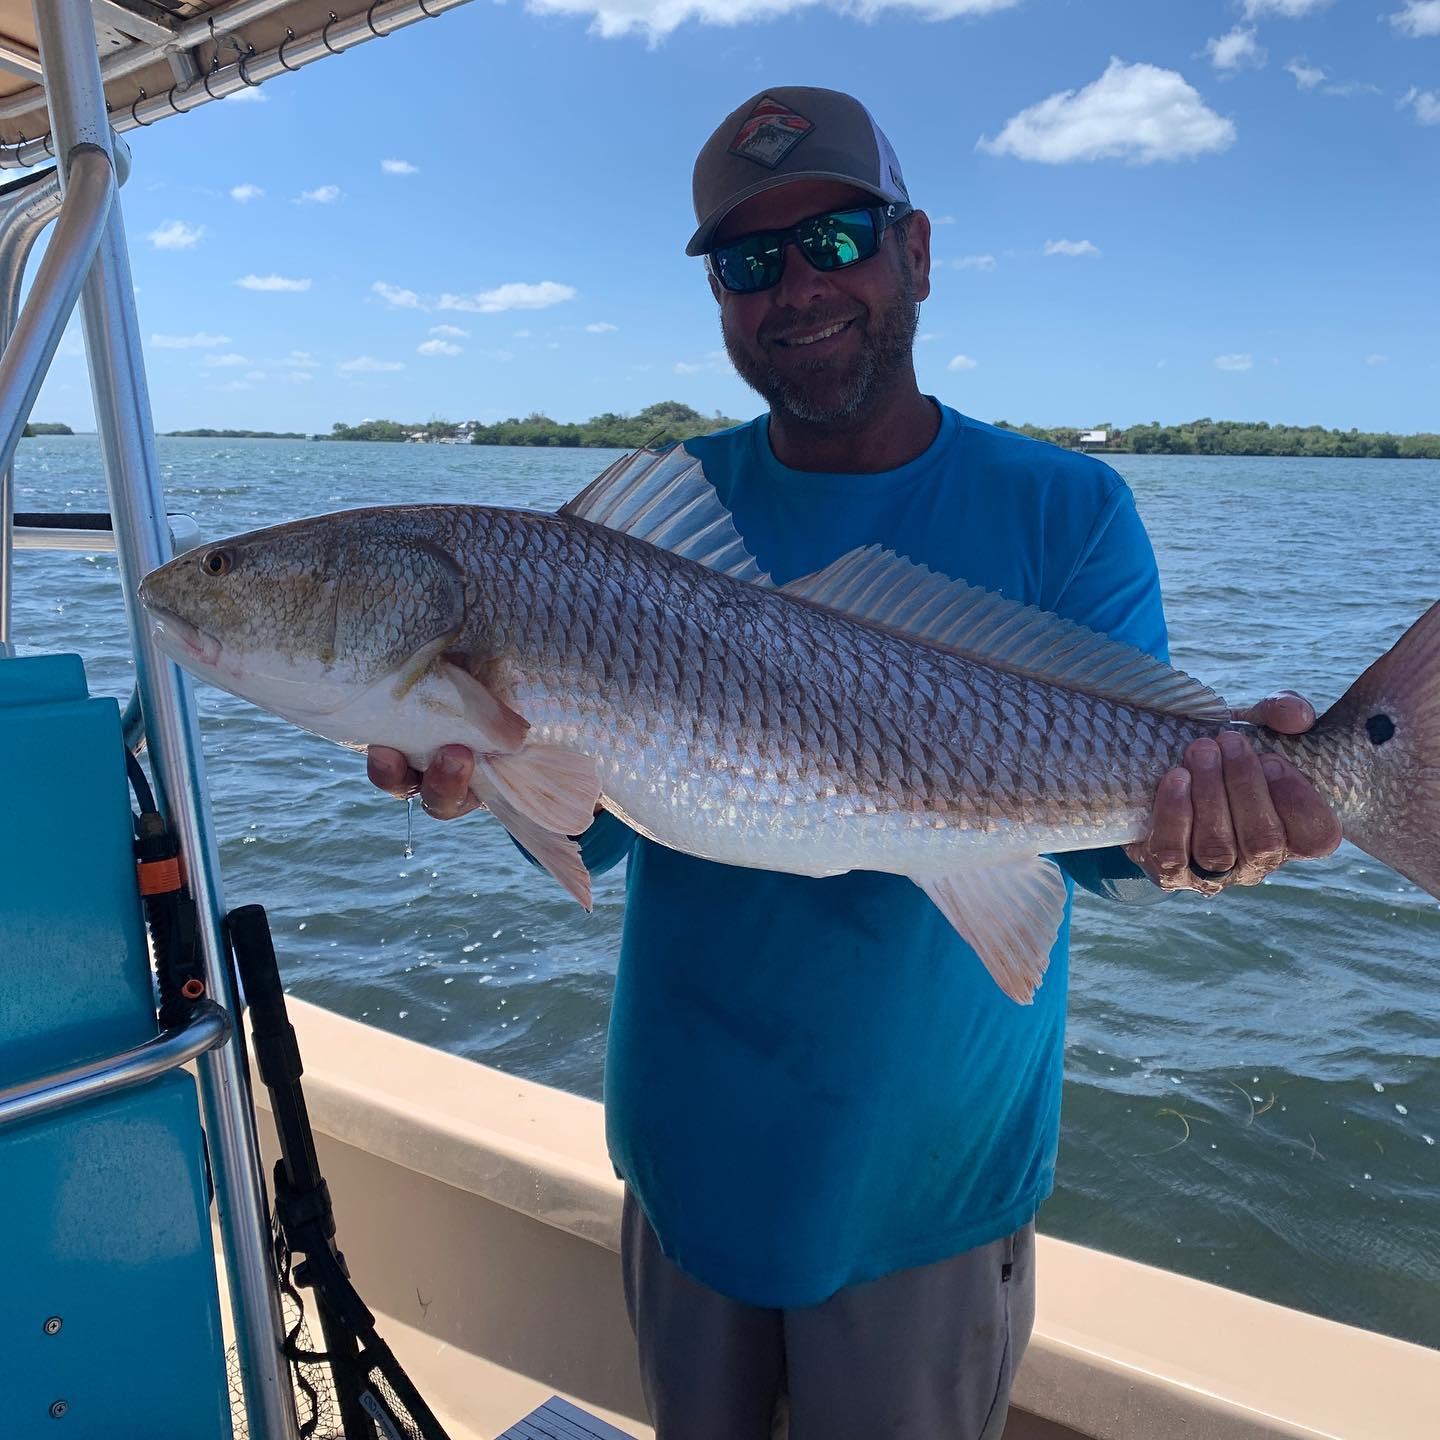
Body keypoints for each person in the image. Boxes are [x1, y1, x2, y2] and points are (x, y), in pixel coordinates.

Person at [368, 87, 1341, 1440]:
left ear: (916, 252)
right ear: (719, 297)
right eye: (749, 263)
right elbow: (595, 832)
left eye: (834, 240)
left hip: (930, 1191)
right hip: (682, 1160)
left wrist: (1222, 833)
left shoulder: (1067, 511)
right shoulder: (648, 522)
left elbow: (1119, 845)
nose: (794, 289)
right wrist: (472, 768)